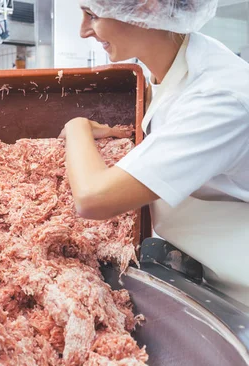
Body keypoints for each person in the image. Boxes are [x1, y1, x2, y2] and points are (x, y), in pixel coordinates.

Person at [60, 0, 249, 305]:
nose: (83, 32)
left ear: (147, 9)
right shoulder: (172, 66)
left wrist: (77, 126)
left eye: (92, 15)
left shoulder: (219, 97)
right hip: (207, 265)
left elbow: (93, 198)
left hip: (240, 291)